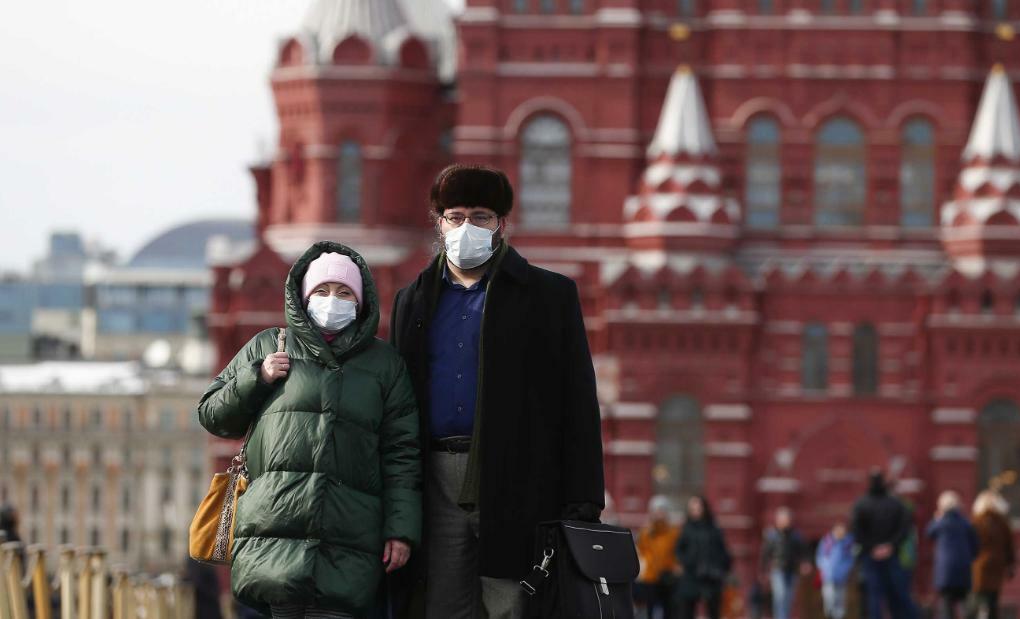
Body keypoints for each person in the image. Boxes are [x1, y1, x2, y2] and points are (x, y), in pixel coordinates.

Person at [389, 164, 605, 619]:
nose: (468, 227)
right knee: (443, 606)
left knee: (513, 603)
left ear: (501, 224)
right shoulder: (413, 301)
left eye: (482, 216)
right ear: (439, 221)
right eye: (456, 215)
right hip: (436, 477)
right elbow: (398, 404)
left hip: (518, 477)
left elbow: (579, 403)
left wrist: (583, 500)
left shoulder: (548, 296)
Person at [197, 242, 421, 619]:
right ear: (303, 296)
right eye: (322, 290)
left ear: (361, 301)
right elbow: (213, 414)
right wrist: (257, 377)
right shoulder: (270, 345)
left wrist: (401, 530)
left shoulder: (385, 365)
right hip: (273, 537)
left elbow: (402, 453)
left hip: (347, 541)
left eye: (344, 292)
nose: (332, 299)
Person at [851, 469, 917, 619]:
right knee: (897, 593)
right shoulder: (897, 504)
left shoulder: (861, 505)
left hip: (870, 558)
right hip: (892, 556)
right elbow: (905, 528)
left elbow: (856, 532)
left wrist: (872, 548)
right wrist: (890, 546)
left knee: (874, 596)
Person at [674, 495, 731, 619]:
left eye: (698, 507)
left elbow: (723, 551)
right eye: (692, 508)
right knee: (685, 610)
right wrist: (687, 561)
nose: (695, 511)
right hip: (690, 575)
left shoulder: (713, 528)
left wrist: (721, 568)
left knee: (713, 611)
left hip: (711, 576)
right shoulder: (686, 528)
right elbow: (678, 550)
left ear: (704, 508)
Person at [925, 491, 978, 619]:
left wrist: (937, 518)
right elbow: (976, 546)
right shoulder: (965, 523)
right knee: (963, 601)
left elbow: (928, 533)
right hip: (963, 568)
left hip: (945, 570)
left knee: (946, 603)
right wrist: (969, 558)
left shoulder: (941, 523)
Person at [971, 491, 1016, 619]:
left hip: (979, 565)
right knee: (993, 599)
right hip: (997, 565)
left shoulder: (976, 522)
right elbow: (1010, 547)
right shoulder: (1003, 523)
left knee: (977, 598)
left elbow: (970, 545)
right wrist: (1011, 565)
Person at [635, 495, 681, 619]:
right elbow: (641, 552)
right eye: (655, 510)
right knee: (649, 610)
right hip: (650, 577)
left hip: (668, 577)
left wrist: (676, 567)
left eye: (661, 510)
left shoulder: (673, 532)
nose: (658, 514)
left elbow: (677, 553)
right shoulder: (645, 532)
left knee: (669, 610)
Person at [760, 507, 807, 619]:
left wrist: (805, 563)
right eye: (784, 519)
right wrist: (763, 570)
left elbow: (804, 551)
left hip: (792, 570)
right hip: (778, 570)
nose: (786, 522)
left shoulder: (796, 536)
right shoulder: (772, 536)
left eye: (788, 519)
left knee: (789, 598)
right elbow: (765, 554)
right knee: (780, 596)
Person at [816, 522, 856, 619]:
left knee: (840, 598)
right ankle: (829, 614)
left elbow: (851, 558)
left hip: (842, 576)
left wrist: (845, 570)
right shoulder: (827, 541)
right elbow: (820, 556)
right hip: (828, 575)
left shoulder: (848, 542)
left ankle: (839, 615)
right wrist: (824, 569)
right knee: (829, 597)